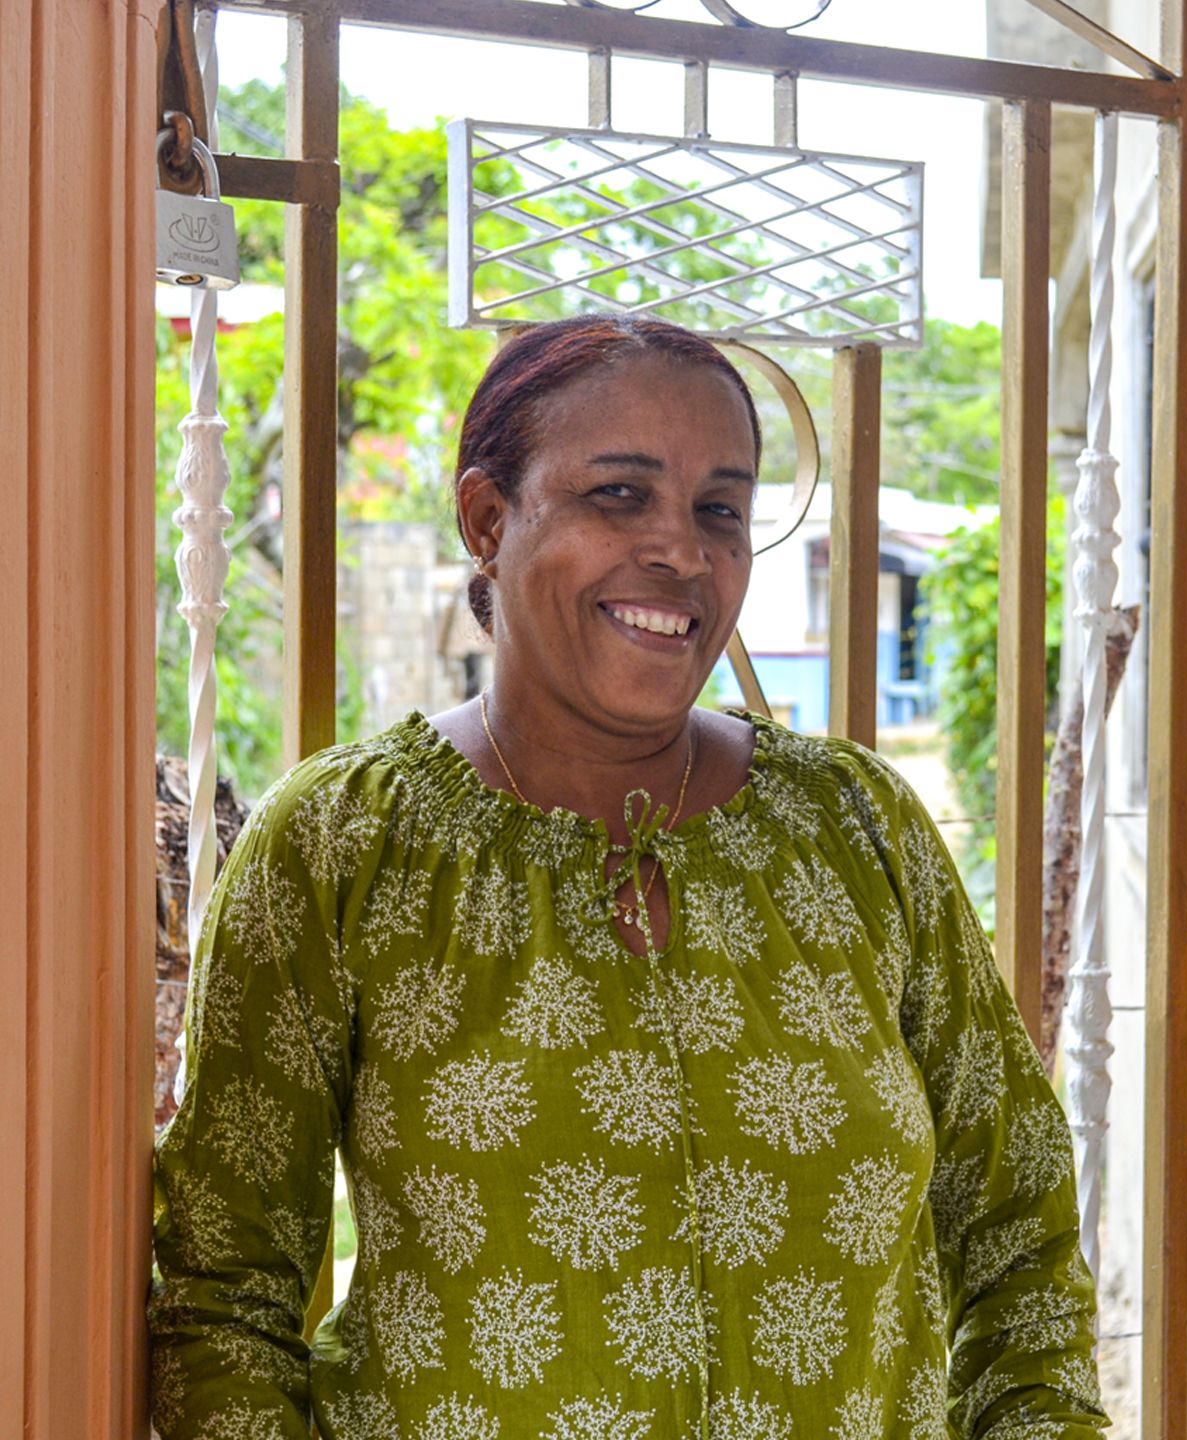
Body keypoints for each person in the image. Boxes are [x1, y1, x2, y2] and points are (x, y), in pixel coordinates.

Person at [148, 315, 1107, 1440]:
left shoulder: (856, 829)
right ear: (488, 518)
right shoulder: (346, 843)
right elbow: (224, 1294)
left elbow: (1018, 1232)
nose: (683, 552)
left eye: (721, 510)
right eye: (619, 495)